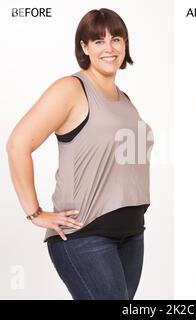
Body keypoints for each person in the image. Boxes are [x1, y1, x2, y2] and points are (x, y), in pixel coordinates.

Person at [6, 8, 154, 300]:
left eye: (116, 39)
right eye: (98, 41)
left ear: (125, 44)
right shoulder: (71, 89)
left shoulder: (125, 101)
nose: (109, 48)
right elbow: (17, 144)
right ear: (84, 47)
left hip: (132, 232)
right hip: (85, 235)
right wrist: (35, 213)